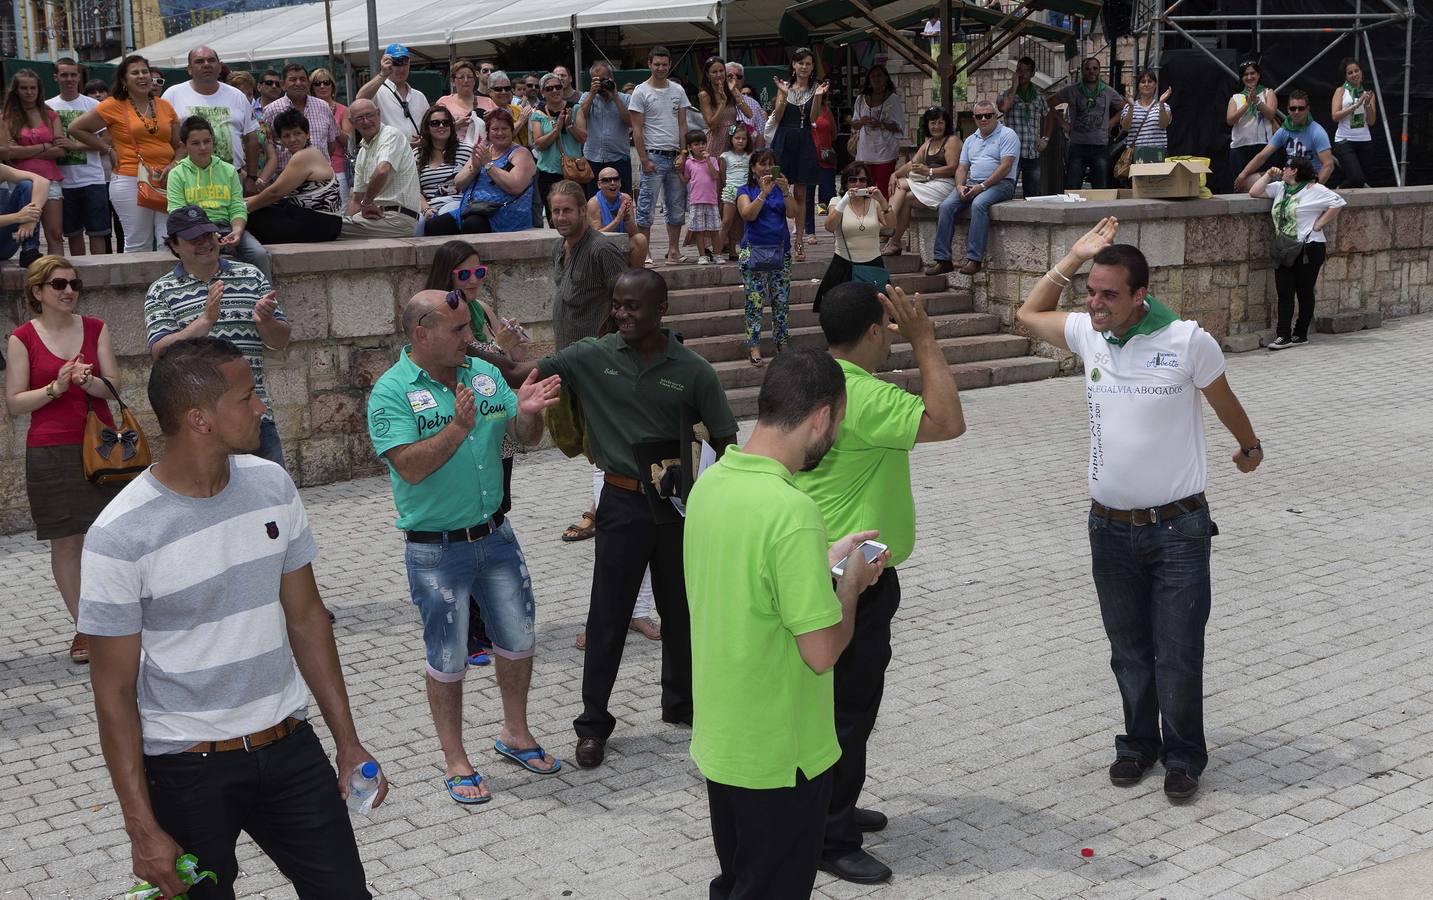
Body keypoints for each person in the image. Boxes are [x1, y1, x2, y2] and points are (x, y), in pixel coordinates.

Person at [81, 336, 385, 899]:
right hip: (186, 769)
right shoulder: (119, 535)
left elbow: (307, 618)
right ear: (199, 418)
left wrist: (348, 741)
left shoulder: (272, 484)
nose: (262, 406)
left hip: (289, 745)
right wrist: (141, 825)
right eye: (248, 397)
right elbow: (113, 691)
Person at [1015, 216, 1265, 803]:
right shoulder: (1088, 334)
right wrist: (1072, 257)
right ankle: (1138, 744)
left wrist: (1249, 448)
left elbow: (1225, 400)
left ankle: (1183, 756)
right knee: (1128, 650)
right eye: (1091, 291)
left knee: (1177, 652)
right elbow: (1028, 314)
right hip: (1108, 528)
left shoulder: (1185, 340)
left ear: (1139, 297)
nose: (1094, 303)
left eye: (1108, 294)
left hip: (1178, 528)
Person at [685, 347, 889, 900]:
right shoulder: (792, 511)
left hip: (725, 741)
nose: (835, 437)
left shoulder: (713, 482)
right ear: (821, 416)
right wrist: (850, 585)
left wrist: (818, 559)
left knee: (737, 881)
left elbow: (748, 579)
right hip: (783, 754)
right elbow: (822, 651)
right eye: (838, 423)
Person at [794, 281, 967, 884]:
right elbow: (947, 421)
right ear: (873, 331)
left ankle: (832, 806)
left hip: (823, 568)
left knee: (840, 705)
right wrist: (926, 341)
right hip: (852, 581)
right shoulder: (862, 394)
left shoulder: (816, 377)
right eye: (889, 327)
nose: (894, 334)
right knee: (847, 709)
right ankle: (829, 834)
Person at [366, 291, 562, 804]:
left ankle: (515, 734)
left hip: (496, 535)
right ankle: (456, 760)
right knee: (448, 656)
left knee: (519, 640)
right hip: (436, 551)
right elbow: (408, 464)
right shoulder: (391, 392)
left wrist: (529, 412)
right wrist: (457, 427)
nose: (468, 339)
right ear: (421, 334)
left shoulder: (481, 372)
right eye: (456, 330)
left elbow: (521, 437)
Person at [5, 255, 121, 664]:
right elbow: (16, 402)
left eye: (74, 284)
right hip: (50, 449)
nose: (69, 291)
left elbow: (114, 386)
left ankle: (121, 618)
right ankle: (85, 628)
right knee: (67, 543)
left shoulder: (96, 328)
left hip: (102, 446)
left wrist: (91, 383)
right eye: (58, 284)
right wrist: (55, 388)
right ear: (38, 292)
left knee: (111, 538)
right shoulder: (22, 337)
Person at [145, 204, 290, 466]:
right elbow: (160, 352)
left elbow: (280, 340)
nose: (204, 243)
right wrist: (205, 321)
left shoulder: (251, 275)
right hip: (200, 427)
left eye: (208, 235)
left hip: (254, 417)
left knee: (272, 500)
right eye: (193, 239)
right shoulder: (161, 291)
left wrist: (267, 321)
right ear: (175, 246)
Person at [66, 55, 180, 252]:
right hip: (130, 179)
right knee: (138, 242)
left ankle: (165, 283)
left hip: (166, 179)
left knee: (169, 241)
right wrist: (107, 149)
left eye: (145, 71)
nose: (142, 76)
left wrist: (174, 164)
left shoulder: (165, 106)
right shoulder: (113, 105)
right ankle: (138, 284)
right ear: (124, 80)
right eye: (135, 73)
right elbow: (76, 128)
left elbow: (179, 145)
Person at [1249, 156, 1346, 350]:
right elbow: (1254, 192)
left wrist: (1319, 224)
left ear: (1295, 171)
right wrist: (1268, 174)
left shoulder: (1314, 189)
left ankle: (1300, 333)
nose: (1283, 169)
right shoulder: (1280, 188)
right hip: (1285, 247)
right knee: (1284, 292)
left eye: (1287, 167)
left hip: (1309, 247)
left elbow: (1339, 202)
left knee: (1304, 291)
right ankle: (1282, 335)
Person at [167, 116, 272, 281]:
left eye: (207, 141)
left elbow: (237, 206)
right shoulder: (177, 174)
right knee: (205, 261)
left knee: (259, 254)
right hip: (195, 232)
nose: (203, 147)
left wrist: (237, 231)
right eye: (195, 143)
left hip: (228, 227)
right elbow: (177, 212)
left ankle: (266, 301)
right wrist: (207, 233)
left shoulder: (229, 170)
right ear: (184, 146)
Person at [927, 99, 1018, 277]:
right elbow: (962, 168)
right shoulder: (970, 139)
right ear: (974, 118)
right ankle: (943, 259)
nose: (983, 119)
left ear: (996, 116)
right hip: (972, 182)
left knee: (979, 204)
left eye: (987, 115)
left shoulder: (1008, 134)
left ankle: (974, 259)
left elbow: (1006, 166)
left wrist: (982, 186)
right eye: (979, 116)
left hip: (1002, 184)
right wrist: (960, 186)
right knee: (946, 206)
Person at [424, 107, 534, 235]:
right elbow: (459, 183)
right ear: (488, 132)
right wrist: (475, 168)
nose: (500, 133)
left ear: (511, 130)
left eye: (504, 129)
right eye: (495, 129)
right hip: (473, 209)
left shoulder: (520, 154)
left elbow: (515, 186)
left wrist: (488, 165)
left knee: (473, 224)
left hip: (504, 212)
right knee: (434, 226)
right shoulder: (483, 149)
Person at [631, 46, 692, 265]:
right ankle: (645, 253)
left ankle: (673, 251)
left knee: (676, 206)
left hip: (676, 154)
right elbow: (637, 129)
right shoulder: (640, 91)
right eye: (656, 64)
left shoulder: (678, 90)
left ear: (670, 65)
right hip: (653, 156)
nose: (661, 68)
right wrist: (644, 159)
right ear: (649, 64)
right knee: (646, 207)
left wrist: (684, 153)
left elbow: (683, 124)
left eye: (665, 64)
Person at [245, 108, 343, 244]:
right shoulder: (312, 152)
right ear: (280, 140)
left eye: (297, 133)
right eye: (286, 136)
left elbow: (275, 193)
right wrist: (242, 202)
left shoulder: (304, 156)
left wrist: (242, 209)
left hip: (321, 225)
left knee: (251, 216)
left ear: (307, 134)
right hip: (325, 223)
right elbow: (280, 194)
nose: (292, 139)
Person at [162, 46, 259, 183]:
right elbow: (162, 138)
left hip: (231, 179)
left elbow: (251, 139)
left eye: (211, 60)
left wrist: (251, 177)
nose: (206, 64)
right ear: (189, 69)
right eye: (200, 61)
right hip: (186, 180)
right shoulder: (172, 94)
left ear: (219, 67)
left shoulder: (237, 96)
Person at [47, 58, 112, 255]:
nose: (69, 79)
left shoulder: (93, 105)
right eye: (64, 75)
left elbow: (106, 142)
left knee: (98, 232)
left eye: (73, 74)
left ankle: (100, 275)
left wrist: (74, 145)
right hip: (63, 182)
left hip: (93, 178)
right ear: (56, 77)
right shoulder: (48, 107)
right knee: (73, 234)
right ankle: (81, 276)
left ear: (79, 76)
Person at [771, 48, 829, 262]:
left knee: (802, 194)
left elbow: (813, 118)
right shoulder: (784, 86)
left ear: (813, 67)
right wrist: (784, 96)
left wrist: (817, 97)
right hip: (784, 138)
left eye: (808, 63)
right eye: (800, 63)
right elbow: (777, 116)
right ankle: (778, 236)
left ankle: (799, 240)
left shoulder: (816, 88)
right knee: (778, 188)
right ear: (793, 66)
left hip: (804, 139)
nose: (804, 67)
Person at [737, 149, 792, 367]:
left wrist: (786, 191)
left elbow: (793, 213)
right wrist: (762, 193)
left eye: (771, 164)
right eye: (762, 164)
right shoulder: (745, 190)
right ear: (753, 168)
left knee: (781, 302)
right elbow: (747, 214)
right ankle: (754, 346)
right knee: (755, 302)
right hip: (754, 253)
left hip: (781, 252)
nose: (767, 168)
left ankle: (782, 343)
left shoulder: (781, 189)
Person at [2, 68, 66, 253]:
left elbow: (61, 150)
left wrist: (25, 151)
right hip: (22, 183)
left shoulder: (49, 114)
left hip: (50, 179)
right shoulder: (6, 117)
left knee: (55, 232)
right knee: (28, 233)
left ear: (39, 90)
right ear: (16, 90)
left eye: (33, 88)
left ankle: (57, 273)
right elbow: (9, 153)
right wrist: (45, 146)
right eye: (24, 88)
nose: (29, 92)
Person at [882, 106, 959, 257]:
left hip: (947, 185)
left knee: (902, 184)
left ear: (946, 124)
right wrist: (894, 174)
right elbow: (912, 164)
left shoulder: (952, 141)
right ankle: (895, 243)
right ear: (927, 125)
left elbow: (953, 169)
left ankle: (886, 223)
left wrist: (929, 171)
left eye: (940, 123)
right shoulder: (929, 143)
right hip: (931, 184)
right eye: (932, 123)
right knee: (907, 198)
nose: (936, 127)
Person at [815, 164, 891, 311]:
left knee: (877, 311)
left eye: (862, 180)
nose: (857, 184)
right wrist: (844, 201)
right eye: (853, 180)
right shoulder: (836, 202)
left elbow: (891, 225)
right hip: (844, 264)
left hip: (873, 264)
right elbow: (829, 226)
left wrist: (882, 200)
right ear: (845, 182)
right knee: (842, 313)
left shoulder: (875, 202)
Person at [341, 99, 422, 238]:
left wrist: (366, 204)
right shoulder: (362, 152)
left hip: (399, 219)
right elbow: (356, 199)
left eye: (369, 115)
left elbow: (382, 170)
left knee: (328, 228)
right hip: (375, 218)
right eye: (360, 118)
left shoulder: (390, 135)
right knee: (332, 228)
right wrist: (346, 220)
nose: (366, 121)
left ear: (378, 114)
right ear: (352, 122)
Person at [1234, 90, 1334, 190]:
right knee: (1248, 182)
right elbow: (1262, 156)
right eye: (1293, 108)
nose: (1296, 112)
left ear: (1308, 109)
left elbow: (1328, 165)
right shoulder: (1285, 130)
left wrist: (1314, 189)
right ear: (1288, 110)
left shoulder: (1317, 131)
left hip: (1307, 179)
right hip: (1288, 177)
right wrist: (1242, 175)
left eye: (1301, 108)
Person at [1053, 57, 1122, 190]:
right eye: (1087, 68)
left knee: (1100, 188)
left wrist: (1112, 122)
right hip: (1078, 146)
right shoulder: (1072, 90)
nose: (1091, 71)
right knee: (1072, 187)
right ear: (1082, 71)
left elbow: (1124, 107)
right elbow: (1050, 102)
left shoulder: (1108, 91)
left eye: (1095, 68)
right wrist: (1062, 123)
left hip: (1100, 146)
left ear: (1099, 71)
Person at [262, 63, 341, 176]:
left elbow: (331, 144)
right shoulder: (271, 111)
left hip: (320, 180)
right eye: (293, 80)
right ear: (283, 84)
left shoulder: (323, 107)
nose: (298, 83)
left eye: (302, 79)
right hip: (286, 181)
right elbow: (266, 148)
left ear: (308, 83)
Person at [531, 73, 583, 227]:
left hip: (574, 171)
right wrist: (556, 130)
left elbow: (583, 137)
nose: (555, 91)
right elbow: (539, 144)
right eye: (549, 88)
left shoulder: (575, 108)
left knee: (577, 215)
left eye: (558, 87)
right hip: (548, 172)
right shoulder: (538, 114)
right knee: (554, 217)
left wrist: (569, 126)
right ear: (543, 92)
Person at [574, 62, 633, 198]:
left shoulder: (626, 98)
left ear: (611, 78)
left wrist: (615, 96)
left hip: (619, 158)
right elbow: (581, 115)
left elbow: (629, 121)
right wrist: (592, 94)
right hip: (593, 159)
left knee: (623, 199)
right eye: (597, 80)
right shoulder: (586, 97)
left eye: (604, 79)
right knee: (593, 200)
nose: (601, 83)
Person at [998, 56, 1052, 196]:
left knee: (1032, 194)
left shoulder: (1038, 97)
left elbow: (1049, 116)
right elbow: (1004, 107)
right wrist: (1014, 86)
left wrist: (1045, 138)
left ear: (1033, 73)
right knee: (1006, 191)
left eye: (1026, 71)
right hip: (1011, 153)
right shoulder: (1006, 94)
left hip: (1032, 152)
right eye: (1019, 70)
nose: (1022, 74)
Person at [415, 105, 473, 231]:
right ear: (427, 128)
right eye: (435, 123)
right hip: (427, 206)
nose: (441, 126)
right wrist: (426, 209)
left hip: (456, 203)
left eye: (446, 123)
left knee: (444, 217)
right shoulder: (417, 155)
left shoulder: (466, 151)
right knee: (416, 224)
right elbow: (414, 189)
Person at [357, 44, 429, 145]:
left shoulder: (419, 96)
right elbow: (360, 100)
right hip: (388, 153)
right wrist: (383, 74)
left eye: (404, 63)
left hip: (416, 155)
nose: (401, 69)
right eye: (396, 64)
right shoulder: (377, 91)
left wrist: (425, 138)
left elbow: (429, 125)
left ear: (409, 64)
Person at [850, 65, 904, 199]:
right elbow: (854, 124)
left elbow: (899, 126)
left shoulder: (893, 99)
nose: (876, 79)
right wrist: (862, 121)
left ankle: (884, 216)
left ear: (886, 78)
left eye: (879, 75)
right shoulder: (860, 99)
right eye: (873, 76)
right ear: (869, 79)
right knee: (864, 187)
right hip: (865, 152)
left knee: (883, 190)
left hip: (885, 152)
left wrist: (881, 124)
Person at [1225, 59, 1279, 187]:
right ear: (1242, 78)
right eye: (1245, 74)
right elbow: (1230, 120)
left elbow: (1271, 114)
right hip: (1240, 147)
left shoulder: (1268, 93)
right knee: (1240, 184)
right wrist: (1247, 104)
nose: (1249, 77)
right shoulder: (1235, 98)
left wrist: (1257, 102)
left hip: (1265, 146)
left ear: (1258, 75)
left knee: (1267, 184)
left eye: (1252, 73)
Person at [588, 165, 649, 268]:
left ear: (620, 182)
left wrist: (626, 218)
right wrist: (617, 219)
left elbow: (634, 233)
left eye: (616, 179)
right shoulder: (594, 203)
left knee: (640, 239)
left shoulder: (625, 198)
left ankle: (635, 277)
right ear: (599, 184)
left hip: (621, 246)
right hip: (601, 249)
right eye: (607, 180)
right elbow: (596, 237)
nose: (612, 183)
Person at [678, 129, 723, 264]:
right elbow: (685, 179)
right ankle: (702, 255)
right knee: (699, 230)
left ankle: (717, 254)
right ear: (690, 147)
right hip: (696, 201)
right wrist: (678, 172)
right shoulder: (689, 163)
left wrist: (708, 160)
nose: (701, 146)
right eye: (696, 144)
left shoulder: (713, 160)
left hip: (712, 201)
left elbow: (715, 176)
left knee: (714, 229)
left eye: (703, 143)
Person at [1331, 57, 1376, 188]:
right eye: (1350, 73)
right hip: (1345, 140)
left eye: (1356, 71)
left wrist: (1367, 104)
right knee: (1357, 178)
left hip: (1365, 139)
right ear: (1345, 76)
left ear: (1361, 73)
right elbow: (1335, 116)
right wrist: (1356, 105)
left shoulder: (1369, 94)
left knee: (1363, 179)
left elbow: (1371, 122)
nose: (1354, 74)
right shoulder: (1341, 91)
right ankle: (1338, 190)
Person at [308, 67, 349, 207]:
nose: (322, 86)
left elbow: (347, 141)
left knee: (341, 209)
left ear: (333, 86)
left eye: (326, 82)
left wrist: (331, 119)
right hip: (311, 169)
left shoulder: (343, 110)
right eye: (317, 83)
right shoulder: (306, 109)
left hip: (337, 168)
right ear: (312, 88)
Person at [1120, 71, 1172, 164]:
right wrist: (1131, 107)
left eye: (1150, 81)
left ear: (1155, 85)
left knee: (1158, 178)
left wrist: (1161, 104)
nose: (1146, 84)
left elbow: (1164, 125)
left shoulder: (1164, 106)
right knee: (1137, 179)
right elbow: (1125, 128)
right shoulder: (1128, 106)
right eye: (1143, 82)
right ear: (1138, 85)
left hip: (1157, 154)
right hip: (1136, 155)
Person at [719, 123, 753, 263]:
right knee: (727, 221)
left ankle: (744, 251)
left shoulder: (750, 156)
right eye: (737, 138)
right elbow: (722, 176)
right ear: (731, 139)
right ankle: (718, 251)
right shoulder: (725, 156)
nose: (740, 141)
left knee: (745, 222)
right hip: (731, 189)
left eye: (743, 139)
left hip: (745, 191)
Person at [436, 59, 490, 147]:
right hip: (453, 153)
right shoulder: (443, 102)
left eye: (469, 77)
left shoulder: (488, 102)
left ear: (474, 80)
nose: (466, 80)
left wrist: (492, 119)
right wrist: (455, 126)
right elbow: (434, 130)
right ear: (453, 81)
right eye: (461, 77)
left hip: (484, 153)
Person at [0, 161, 46, 263]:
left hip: (3, 243)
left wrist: (31, 218)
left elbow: (42, 181)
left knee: (27, 185)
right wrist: (19, 216)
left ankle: (30, 250)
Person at [697, 56, 739, 159]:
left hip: (732, 141)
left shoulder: (731, 90)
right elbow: (712, 125)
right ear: (707, 75)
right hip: (716, 142)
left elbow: (749, 114)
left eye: (721, 71)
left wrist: (734, 91)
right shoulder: (705, 95)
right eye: (714, 72)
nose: (719, 74)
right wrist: (723, 102)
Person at [724, 63, 766, 148]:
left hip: (747, 155)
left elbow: (760, 133)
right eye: (730, 76)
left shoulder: (754, 104)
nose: (735, 79)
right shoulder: (716, 100)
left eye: (738, 77)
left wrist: (757, 158)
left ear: (743, 80)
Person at [485, 71, 531, 147]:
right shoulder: (488, 113)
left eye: (507, 88)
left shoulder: (518, 109)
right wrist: (520, 121)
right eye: (499, 89)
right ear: (490, 92)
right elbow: (500, 139)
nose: (504, 92)